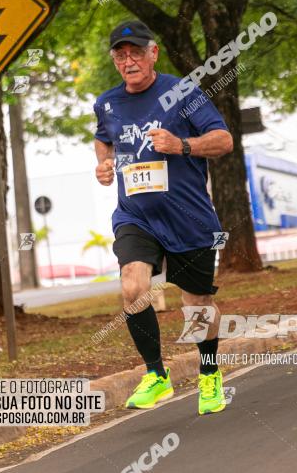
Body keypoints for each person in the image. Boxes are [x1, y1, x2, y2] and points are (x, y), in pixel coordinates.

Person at [93, 20, 234, 413]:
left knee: (198, 304)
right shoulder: (107, 102)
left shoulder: (182, 92)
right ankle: (156, 375)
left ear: (153, 53)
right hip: (135, 215)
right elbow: (103, 137)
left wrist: (182, 144)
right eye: (120, 55)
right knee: (133, 288)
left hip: (188, 217)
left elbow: (223, 139)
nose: (129, 61)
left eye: (136, 52)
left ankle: (209, 374)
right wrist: (104, 165)